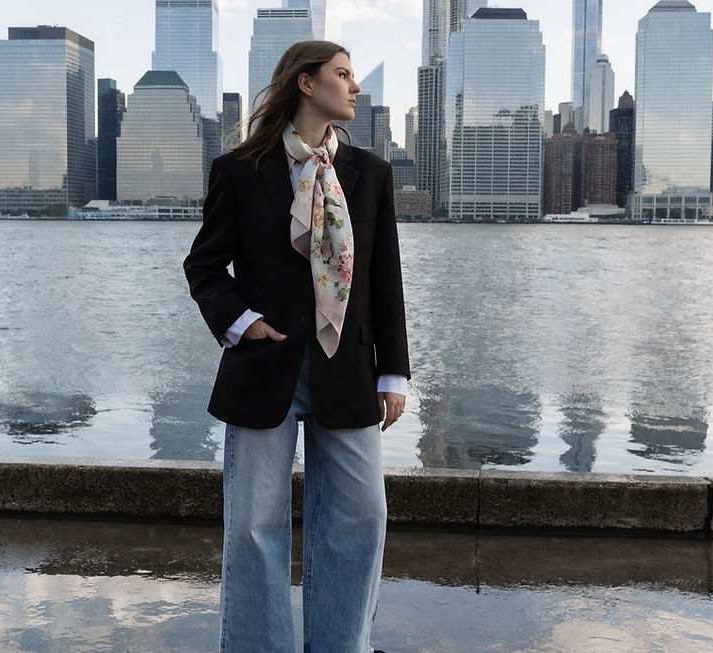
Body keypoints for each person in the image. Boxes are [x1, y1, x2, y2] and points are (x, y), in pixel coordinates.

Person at [184, 39, 410, 653]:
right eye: (343, 74)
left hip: (350, 368)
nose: (355, 86)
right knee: (255, 528)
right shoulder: (240, 169)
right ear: (306, 84)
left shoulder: (370, 173)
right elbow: (204, 267)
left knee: (361, 518)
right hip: (264, 365)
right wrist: (243, 321)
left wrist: (394, 373)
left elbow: (383, 277)